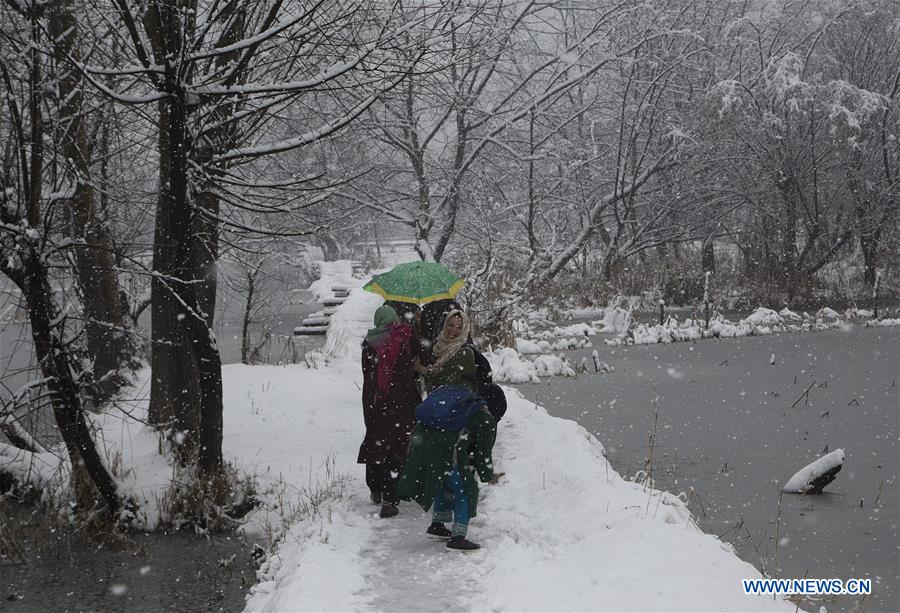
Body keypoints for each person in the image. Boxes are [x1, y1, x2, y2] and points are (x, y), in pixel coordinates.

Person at [398, 309, 504, 550]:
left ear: (465, 329)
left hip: (429, 429)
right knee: (464, 485)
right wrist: (487, 472)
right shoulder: (450, 358)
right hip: (448, 438)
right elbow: (486, 427)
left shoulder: (444, 354)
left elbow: (437, 379)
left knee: (442, 479)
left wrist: (425, 371)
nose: (454, 329)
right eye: (451, 325)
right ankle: (458, 536)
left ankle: (437, 523)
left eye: (459, 326)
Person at [358, 304, 428, 518]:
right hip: (404, 402)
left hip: (378, 402)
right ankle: (390, 498)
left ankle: (376, 490)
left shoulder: (370, 342)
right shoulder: (406, 335)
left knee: (376, 444)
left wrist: (370, 404)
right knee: (399, 448)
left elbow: (368, 375)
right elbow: (423, 359)